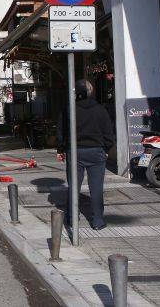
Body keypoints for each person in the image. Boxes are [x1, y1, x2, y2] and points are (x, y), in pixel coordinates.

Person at [57, 79, 115, 230]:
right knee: (96, 188)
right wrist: (106, 149)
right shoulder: (100, 110)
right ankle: (97, 221)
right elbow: (109, 133)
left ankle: (71, 219)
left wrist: (61, 149)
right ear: (91, 92)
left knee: (73, 187)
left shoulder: (69, 109)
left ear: (75, 92)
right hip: (96, 152)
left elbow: (61, 131)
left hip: (75, 151)